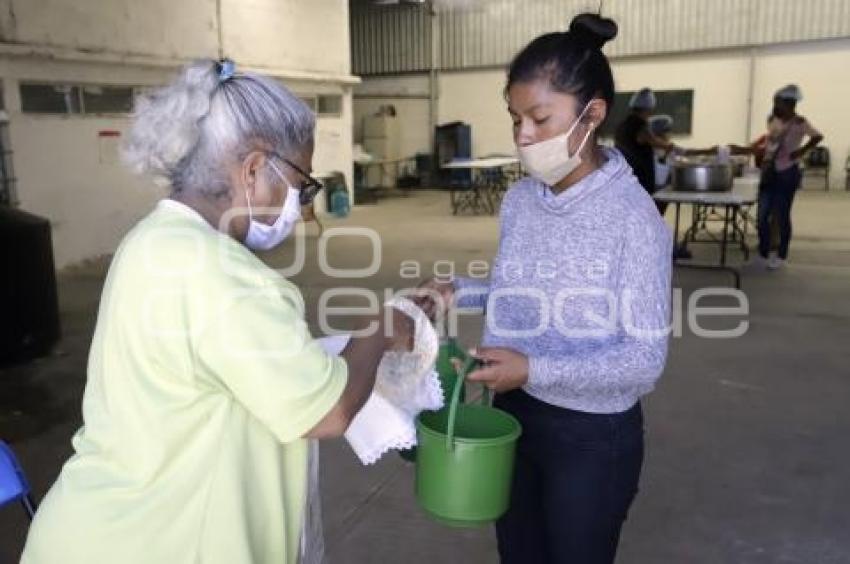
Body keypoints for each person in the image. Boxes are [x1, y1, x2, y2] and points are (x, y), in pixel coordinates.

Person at [21, 59, 415, 564]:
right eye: (301, 184)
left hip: (99, 530)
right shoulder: (221, 273)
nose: (301, 204)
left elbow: (224, 366)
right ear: (253, 171)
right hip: (160, 544)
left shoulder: (154, 240)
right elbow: (327, 410)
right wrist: (378, 332)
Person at [421, 13, 671, 564]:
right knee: (519, 552)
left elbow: (644, 359)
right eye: (515, 119)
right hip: (514, 414)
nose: (522, 136)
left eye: (538, 118)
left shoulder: (633, 220)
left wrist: (536, 368)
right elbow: (524, 289)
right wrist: (457, 291)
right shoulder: (522, 200)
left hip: (590, 438)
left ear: (593, 115)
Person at [755, 85, 822, 269]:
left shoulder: (800, 123)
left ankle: (781, 255)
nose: (775, 105)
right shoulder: (772, 120)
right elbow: (770, 142)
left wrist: (801, 151)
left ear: (789, 103)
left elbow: (817, 136)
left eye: (778, 102)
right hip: (770, 171)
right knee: (762, 215)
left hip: (787, 172)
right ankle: (763, 252)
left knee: (781, 215)